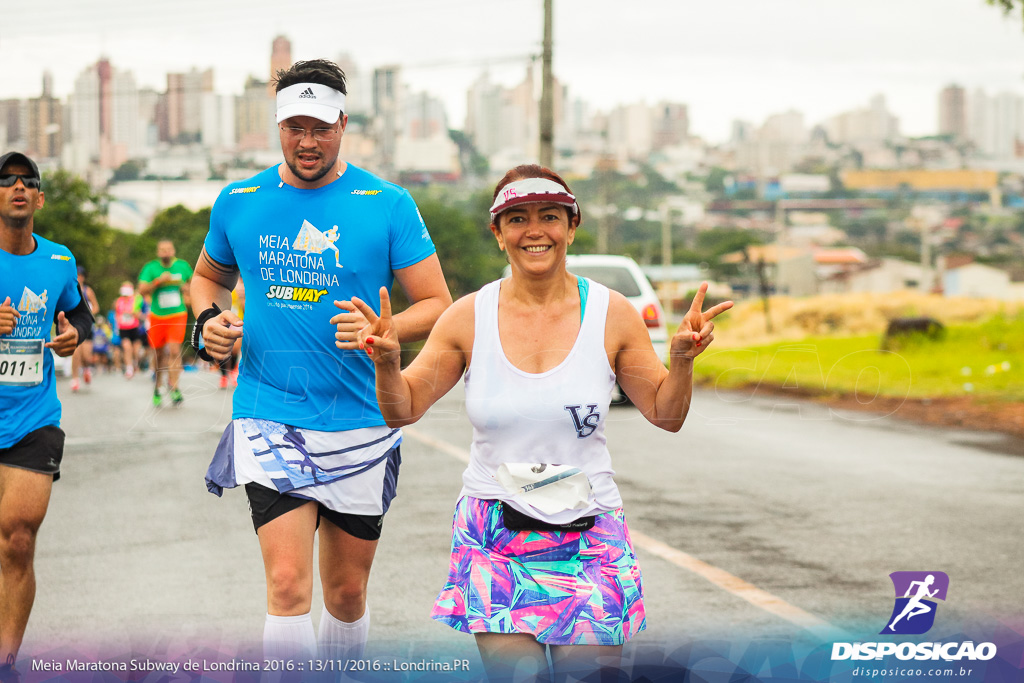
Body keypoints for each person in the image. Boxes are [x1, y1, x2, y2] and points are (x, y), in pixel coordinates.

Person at [352, 164, 733, 682]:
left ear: (571, 227)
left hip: (589, 534)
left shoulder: (612, 313)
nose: (535, 231)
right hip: (496, 536)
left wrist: (683, 360)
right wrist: (386, 364)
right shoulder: (468, 315)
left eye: (549, 217)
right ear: (498, 233)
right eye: (517, 219)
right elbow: (404, 409)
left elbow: (667, 415)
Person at [190, 59, 452, 665]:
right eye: (294, 127)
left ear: (343, 123)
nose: (307, 142)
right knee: (286, 587)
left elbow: (438, 303)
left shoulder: (386, 203)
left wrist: (385, 327)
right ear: (277, 126)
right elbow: (207, 280)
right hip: (269, 413)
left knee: (347, 592)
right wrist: (209, 322)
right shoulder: (240, 200)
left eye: (321, 127)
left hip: (360, 420)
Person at [0, 151, 93, 681]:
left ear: (38, 198)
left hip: (33, 418)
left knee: (17, 538)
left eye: (27, 181)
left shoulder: (58, 260)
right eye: (6, 180)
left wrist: (74, 332)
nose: (17, 187)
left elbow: (79, 309)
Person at [138, 240, 192, 406]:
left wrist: (186, 290)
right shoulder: (151, 268)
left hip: (177, 314)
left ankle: (174, 387)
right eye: (162, 250)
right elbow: (141, 289)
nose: (166, 252)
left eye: (168, 249)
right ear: (158, 252)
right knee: (158, 354)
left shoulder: (183, 266)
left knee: (175, 350)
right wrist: (158, 282)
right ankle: (157, 387)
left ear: (173, 251)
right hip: (158, 316)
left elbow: (194, 285)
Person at [68, 267, 99, 392]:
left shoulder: (88, 291)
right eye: (77, 275)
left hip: (86, 325)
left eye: (81, 275)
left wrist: (89, 314)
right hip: (73, 325)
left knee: (86, 356)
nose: (79, 277)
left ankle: (86, 369)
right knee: (75, 353)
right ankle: (75, 379)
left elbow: (96, 306)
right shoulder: (69, 290)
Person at [113, 281, 144, 378]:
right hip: (123, 328)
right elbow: (117, 314)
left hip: (134, 327)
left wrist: (135, 313)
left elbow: (138, 313)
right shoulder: (118, 301)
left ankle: (135, 363)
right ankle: (129, 368)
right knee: (127, 348)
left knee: (136, 349)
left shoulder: (136, 299)